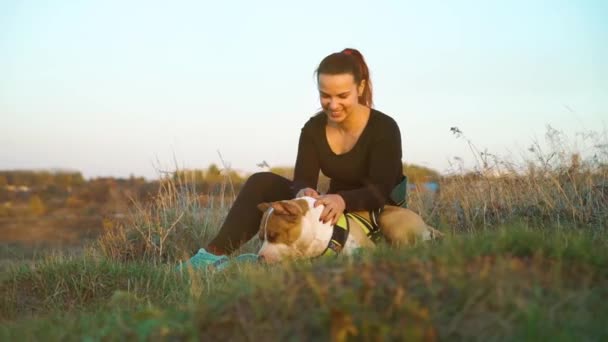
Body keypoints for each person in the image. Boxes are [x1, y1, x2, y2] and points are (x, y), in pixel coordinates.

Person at [186, 48, 407, 269]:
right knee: (261, 182)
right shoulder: (313, 129)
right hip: (331, 207)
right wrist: (304, 191)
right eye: (325, 95)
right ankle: (210, 259)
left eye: (342, 96)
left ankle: (281, 258)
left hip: (377, 211)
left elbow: (381, 189)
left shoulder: (384, 128)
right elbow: (302, 178)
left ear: (360, 87)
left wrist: (342, 200)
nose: (332, 104)